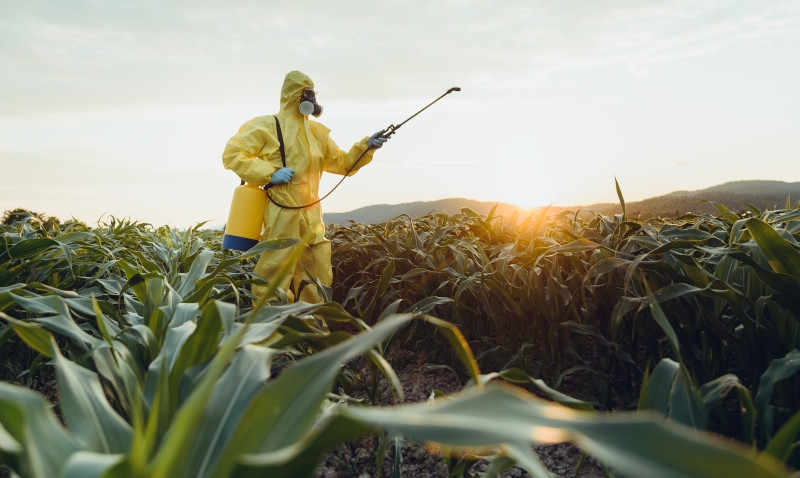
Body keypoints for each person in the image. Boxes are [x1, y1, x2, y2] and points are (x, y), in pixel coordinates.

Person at [222, 70, 388, 303]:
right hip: (282, 211)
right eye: (307, 94)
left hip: (312, 214)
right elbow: (232, 154)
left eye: (313, 94)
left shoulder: (317, 132)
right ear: (294, 95)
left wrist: (366, 147)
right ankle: (272, 331)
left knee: (317, 275)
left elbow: (341, 163)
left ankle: (312, 330)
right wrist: (270, 174)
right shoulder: (267, 126)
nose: (311, 100)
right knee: (273, 275)